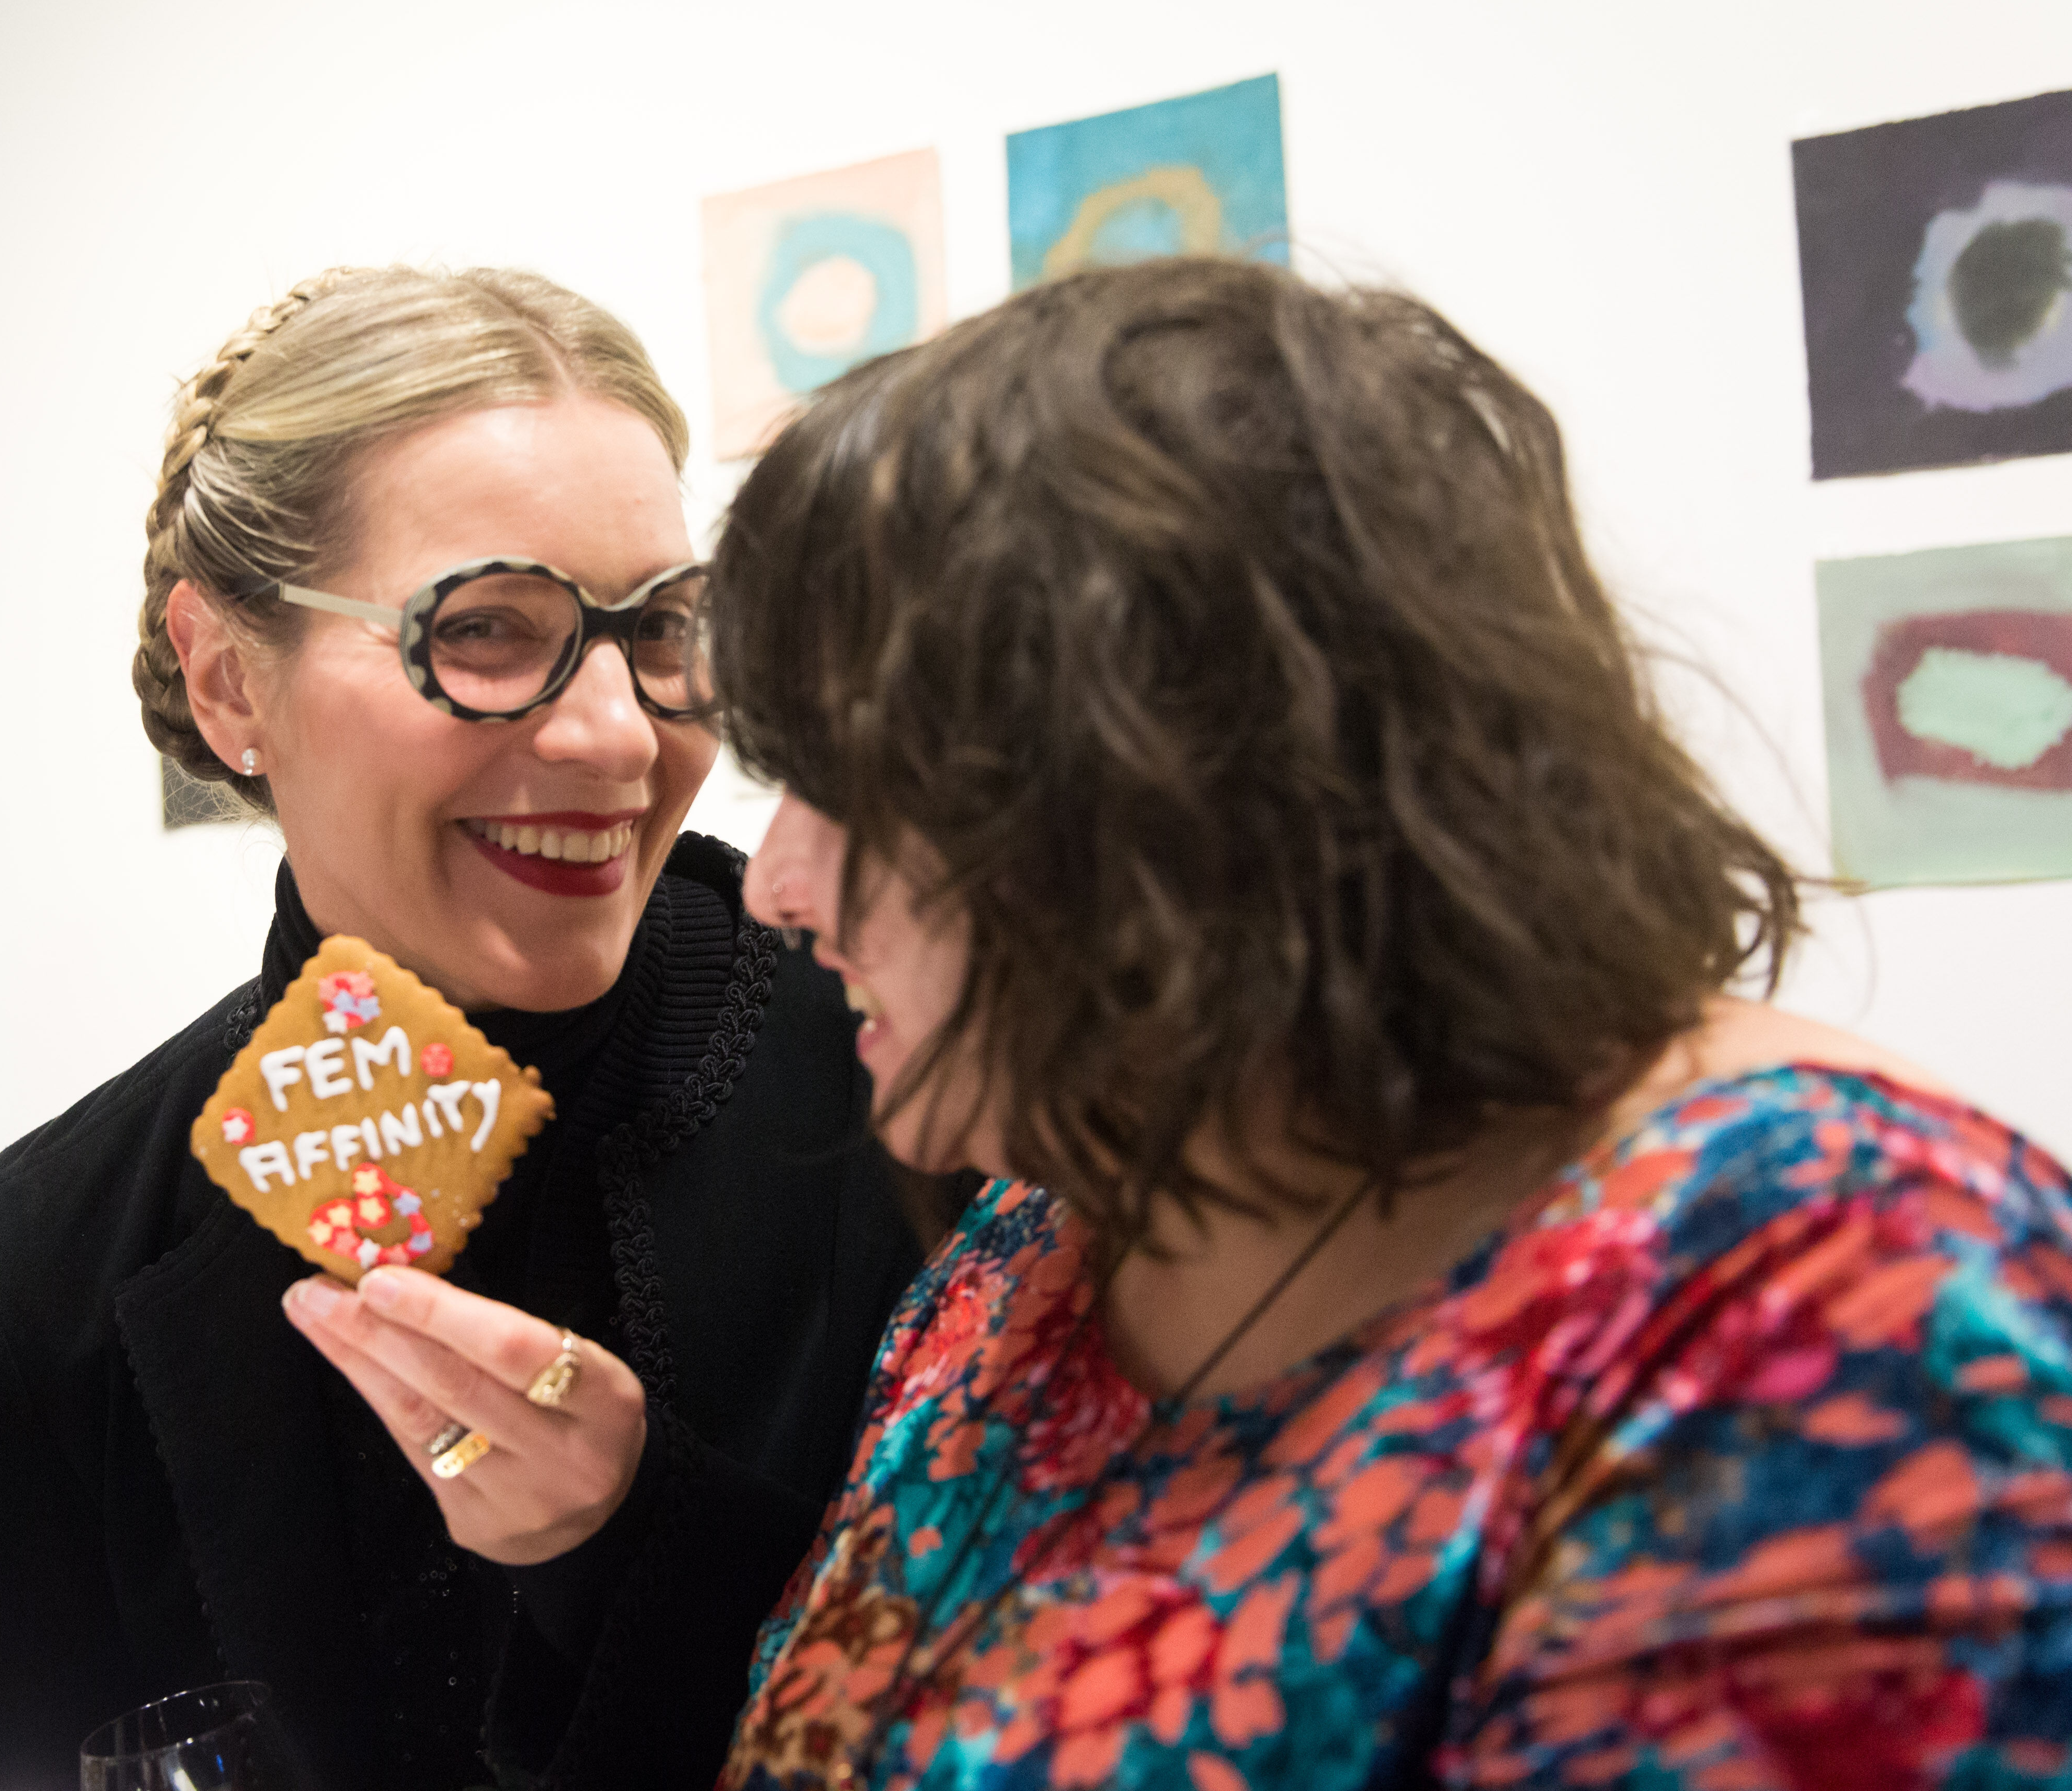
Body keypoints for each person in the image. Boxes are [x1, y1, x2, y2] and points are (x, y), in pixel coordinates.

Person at [707, 257, 2072, 1789]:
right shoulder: (1037, 1246)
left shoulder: (1833, 1288)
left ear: (1181, 795)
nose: (777, 886)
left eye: (853, 785)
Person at [0, 266, 936, 1791]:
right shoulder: (50, 1254)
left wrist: (637, 1543)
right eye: (490, 631)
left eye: (662, 631)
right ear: (227, 678)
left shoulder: (907, 1079)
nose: (616, 738)